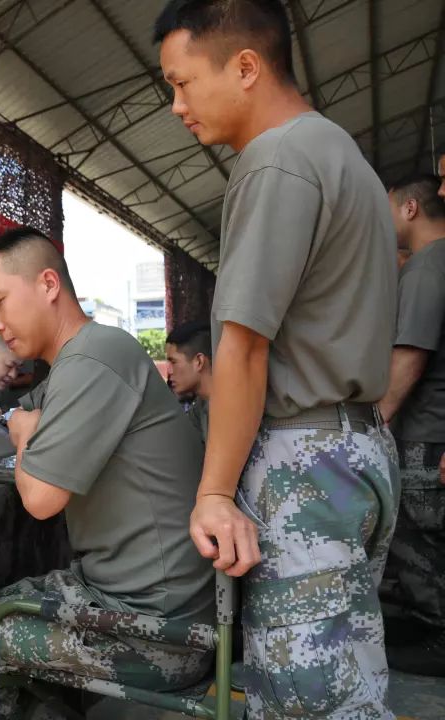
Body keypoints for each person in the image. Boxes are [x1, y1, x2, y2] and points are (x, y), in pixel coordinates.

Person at [156, 1, 399, 717]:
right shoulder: (341, 154)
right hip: (358, 446)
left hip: (305, 467)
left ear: (246, 67)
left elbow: (243, 345)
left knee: (308, 699)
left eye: (182, 83)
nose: (176, 106)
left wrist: (214, 493)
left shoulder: (277, 159)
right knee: (347, 680)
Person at [0, 228, 214, 719]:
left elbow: (40, 497)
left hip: (159, 631)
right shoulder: (79, 358)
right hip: (138, 599)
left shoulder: (91, 357)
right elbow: (2, 428)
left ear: (47, 284)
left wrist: (25, 434)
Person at [377, 174, 445, 675]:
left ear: (410, 208)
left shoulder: (426, 266)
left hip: (426, 432)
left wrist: (375, 421)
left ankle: (438, 634)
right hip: (434, 429)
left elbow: (410, 356)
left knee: (419, 538)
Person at [165, 321, 212, 442]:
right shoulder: (200, 408)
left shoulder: (231, 406)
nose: (169, 371)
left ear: (199, 362)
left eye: (173, 362)